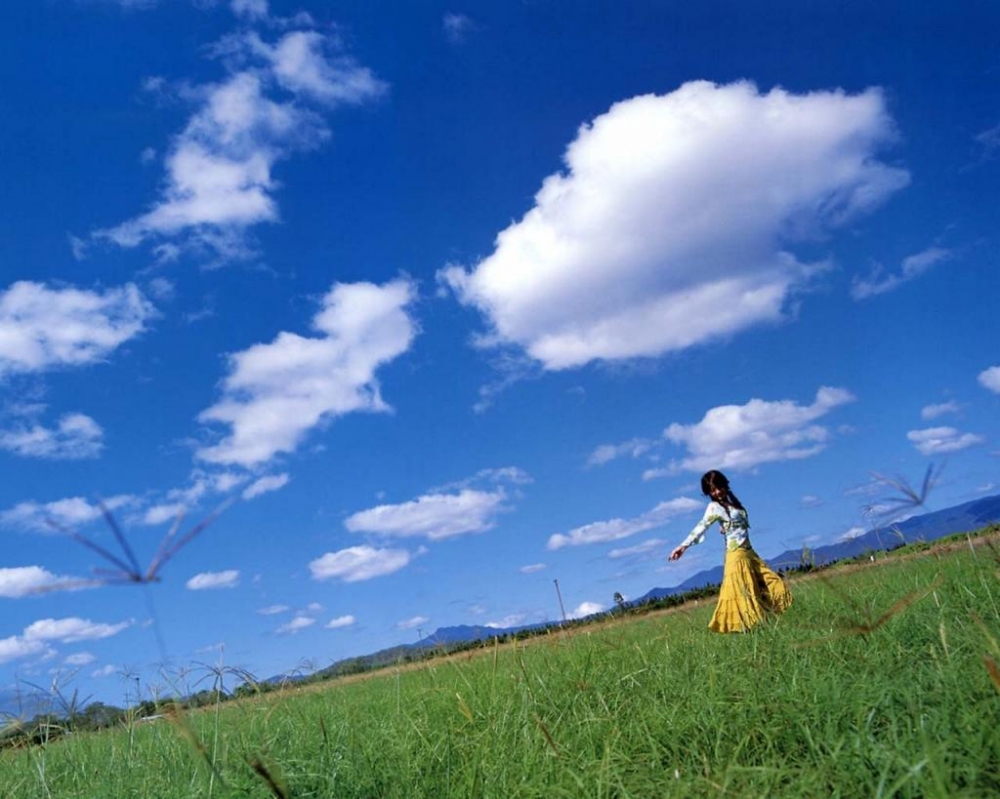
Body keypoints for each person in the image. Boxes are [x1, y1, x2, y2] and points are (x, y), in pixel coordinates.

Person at [669, 470, 791, 633]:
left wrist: (725, 527)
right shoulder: (714, 507)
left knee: (775, 585)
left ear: (724, 484)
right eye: (712, 490)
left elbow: (736, 524)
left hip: (750, 554)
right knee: (746, 597)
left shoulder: (733, 504)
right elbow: (701, 526)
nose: (717, 492)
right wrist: (683, 546)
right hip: (736, 556)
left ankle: (764, 625)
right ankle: (755, 632)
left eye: (718, 487)